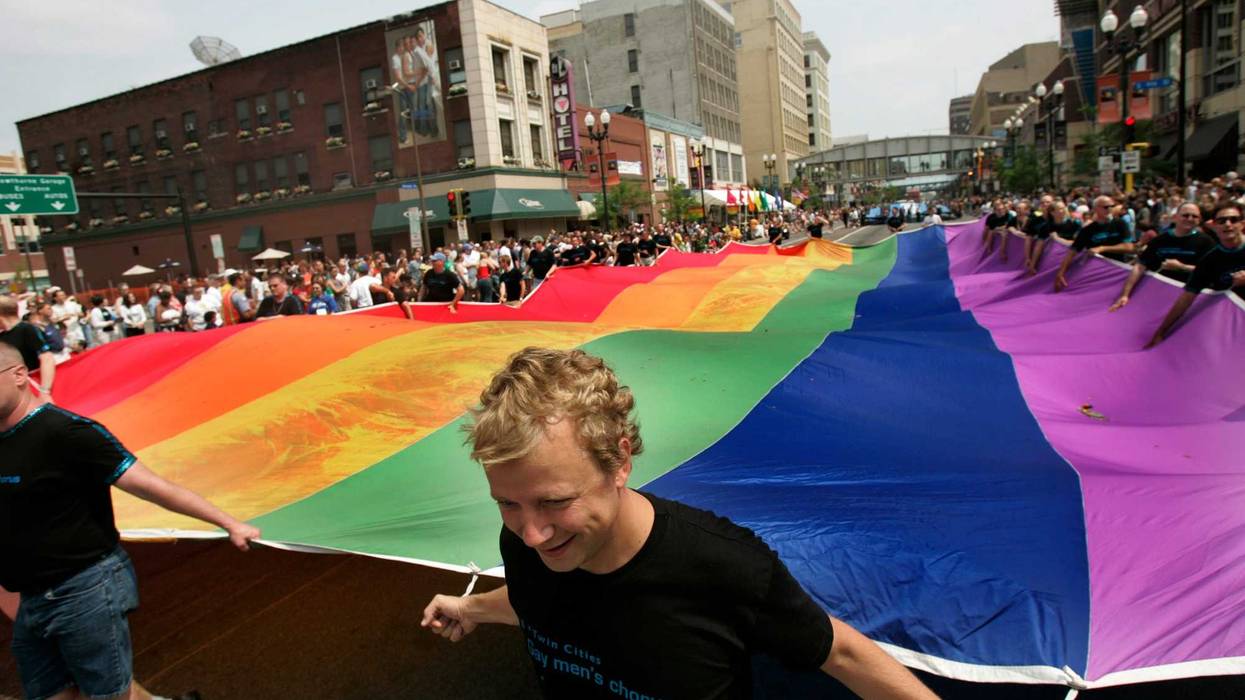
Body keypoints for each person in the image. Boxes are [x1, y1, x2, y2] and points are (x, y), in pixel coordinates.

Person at [420, 348, 936, 700]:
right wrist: (472, 607)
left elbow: (841, 652)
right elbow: (541, 602)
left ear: (619, 461)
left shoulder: (724, 566)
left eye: (555, 502)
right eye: (507, 504)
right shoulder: (530, 548)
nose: (532, 533)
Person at [0, 342, 259, 700]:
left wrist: (229, 522)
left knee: (108, 695)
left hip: (83, 588)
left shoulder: (68, 432)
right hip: (32, 599)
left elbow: (149, 485)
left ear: (17, 376)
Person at [1147, 201, 1245, 347]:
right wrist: (1160, 332)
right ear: (1214, 225)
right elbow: (1186, 298)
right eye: (1222, 220)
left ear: (1242, 224)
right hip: (1231, 328)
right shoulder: (1209, 260)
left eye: (1233, 220)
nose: (1228, 224)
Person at [1109, 203, 1215, 312]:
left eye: (1194, 216)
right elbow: (1139, 267)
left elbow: (1212, 271)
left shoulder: (1207, 242)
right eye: (1185, 215)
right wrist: (1125, 294)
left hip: (1190, 300)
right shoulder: (1159, 240)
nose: (1190, 219)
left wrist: (1182, 267)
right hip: (1160, 297)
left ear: (1199, 220)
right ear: (1175, 217)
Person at [1054, 196, 1134, 292]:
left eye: (1111, 206)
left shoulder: (1120, 223)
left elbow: (1129, 247)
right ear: (1096, 209)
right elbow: (1072, 251)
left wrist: (1102, 248)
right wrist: (1061, 273)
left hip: (1116, 272)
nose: (1109, 209)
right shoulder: (1087, 230)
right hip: (1096, 274)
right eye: (1105, 207)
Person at [1028, 201, 1080, 275]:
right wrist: (1032, 265)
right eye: (1060, 208)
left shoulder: (1075, 223)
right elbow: (1038, 247)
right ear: (1052, 213)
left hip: (1070, 262)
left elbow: (1078, 244)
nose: (1064, 210)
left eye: (1064, 207)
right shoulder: (1046, 227)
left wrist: (1057, 239)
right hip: (1051, 264)